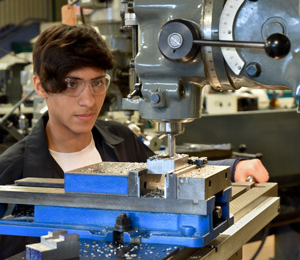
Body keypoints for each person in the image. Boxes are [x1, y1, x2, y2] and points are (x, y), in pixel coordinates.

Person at [0, 24, 269, 258]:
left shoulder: (121, 140)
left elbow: (162, 178)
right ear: (40, 86)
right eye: (72, 84)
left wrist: (232, 169)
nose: (89, 100)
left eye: (97, 83)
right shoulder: (10, 173)